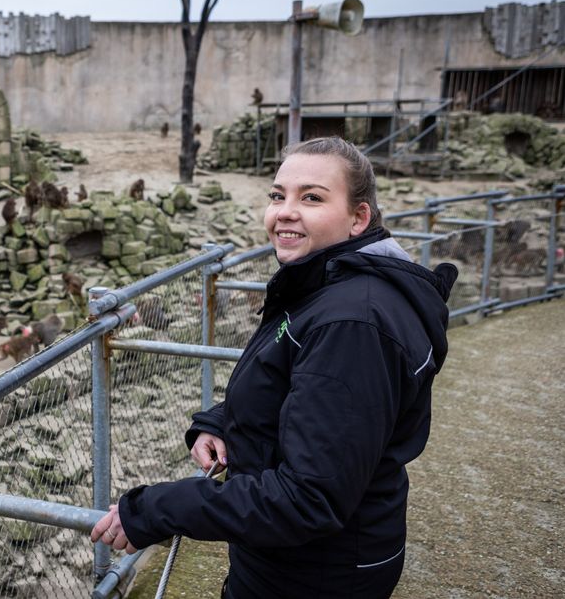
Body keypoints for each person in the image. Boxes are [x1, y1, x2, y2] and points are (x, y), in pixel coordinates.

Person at [91, 136, 458, 598]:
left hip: (317, 572)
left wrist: (154, 508)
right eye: (277, 195)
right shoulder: (325, 284)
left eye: (312, 197)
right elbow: (294, 385)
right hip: (294, 557)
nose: (285, 210)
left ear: (358, 218)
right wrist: (223, 423)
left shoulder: (351, 323)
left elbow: (308, 498)